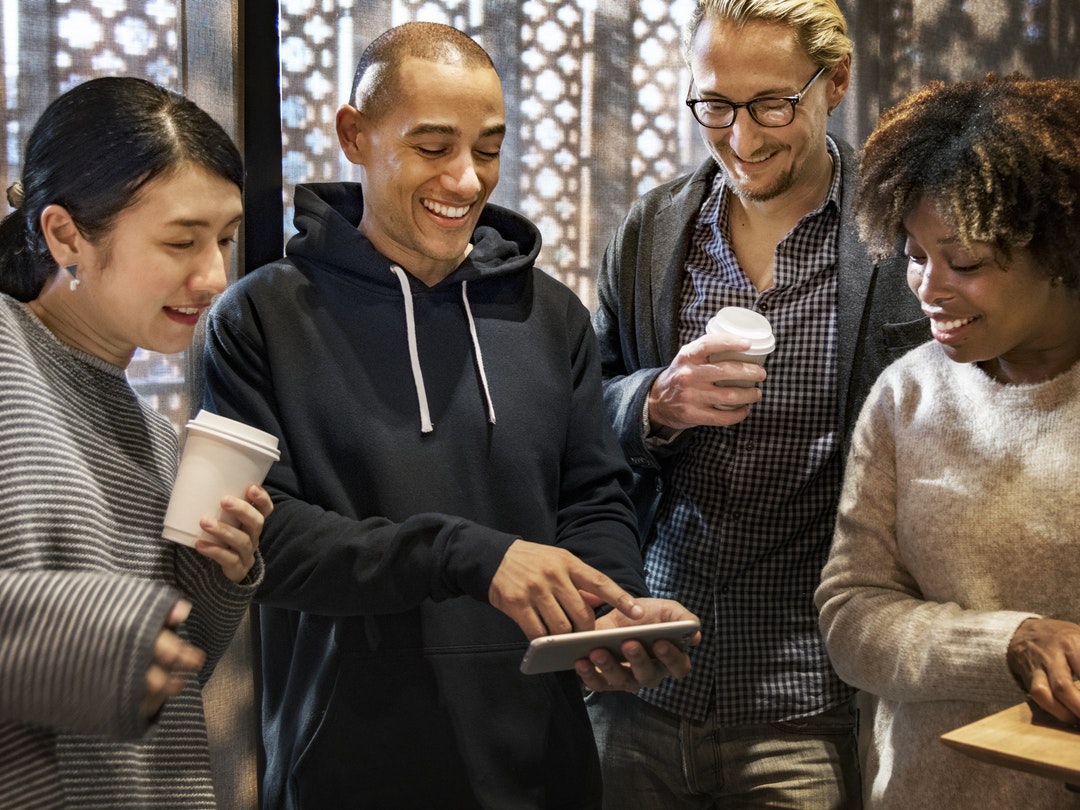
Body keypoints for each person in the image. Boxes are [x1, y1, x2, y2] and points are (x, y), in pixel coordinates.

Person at [201, 21, 698, 810]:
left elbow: (593, 498)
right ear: (355, 136)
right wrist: (471, 554)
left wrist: (613, 613)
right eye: (434, 148)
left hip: (542, 765)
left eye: (489, 149)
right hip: (344, 772)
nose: (466, 180)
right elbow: (269, 541)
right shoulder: (259, 319)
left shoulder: (551, 316)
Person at [587, 0, 931, 806]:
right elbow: (580, 413)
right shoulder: (653, 231)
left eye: (773, 104)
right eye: (716, 105)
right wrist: (653, 402)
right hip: (646, 689)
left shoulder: (894, 243)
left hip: (805, 704)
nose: (742, 138)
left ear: (835, 82)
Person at [0, 76, 272, 809]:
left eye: (224, 239)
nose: (214, 275)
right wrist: (98, 633)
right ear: (65, 235)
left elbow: (166, 688)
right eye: (181, 240)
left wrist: (216, 576)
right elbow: (100, 647)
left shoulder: (154, 435)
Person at [814, 73, 1080, 809]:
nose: (927, 288)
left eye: (962, 262)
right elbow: (850, 616)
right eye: (913, 253)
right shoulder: (908, 394)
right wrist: (1008, 643)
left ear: (1058, 249)